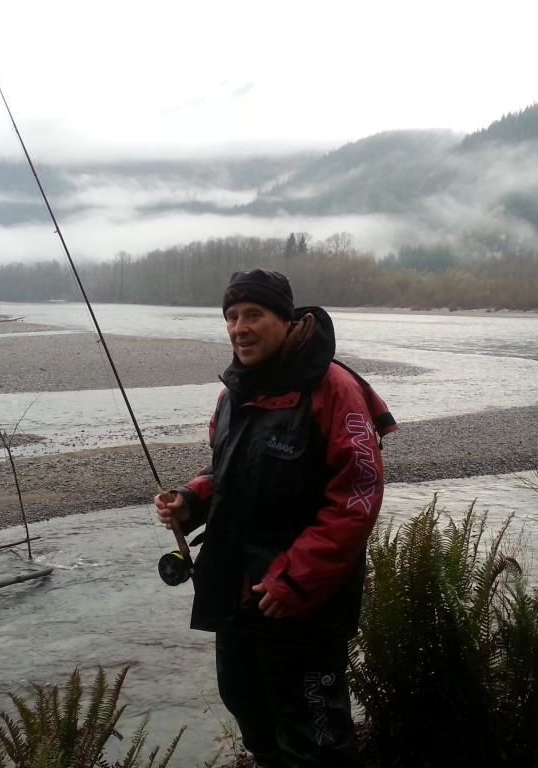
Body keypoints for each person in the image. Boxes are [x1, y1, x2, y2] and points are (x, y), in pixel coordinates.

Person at [154, 268, 397, 768]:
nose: (239, 327)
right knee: (251, 715)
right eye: (231, 316)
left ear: (286, 320)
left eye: (253, 315)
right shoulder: (233, 392)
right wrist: (191, 499)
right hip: (236, 593)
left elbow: (358, 496)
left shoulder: (334, 387)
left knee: (317, 738)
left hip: (302, 603)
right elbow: (228, 469)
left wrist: (295, 579)